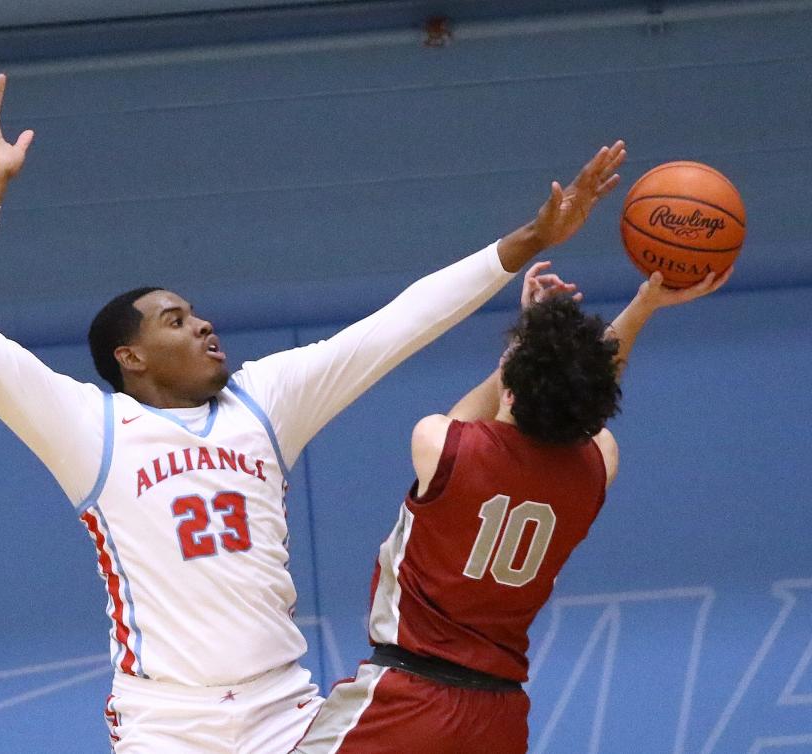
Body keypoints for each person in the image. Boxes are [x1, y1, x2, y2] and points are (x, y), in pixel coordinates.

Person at [0, 58, 626, 754]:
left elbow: (396, 325)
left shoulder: (264, 400)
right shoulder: (90, 429)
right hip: (168, 723)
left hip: (283, 712)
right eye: (175, 321)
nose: (203, 324)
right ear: (130, 358)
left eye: (197, 313)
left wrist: (529, 241)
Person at [291, 263, 730, 754]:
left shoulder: (443, 445)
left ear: (512, 383)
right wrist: (643, 305)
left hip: (409, 699)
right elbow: (586, 393)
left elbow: (487, 412)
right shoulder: (596, 465)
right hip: (498, 719)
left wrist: (527, 342)